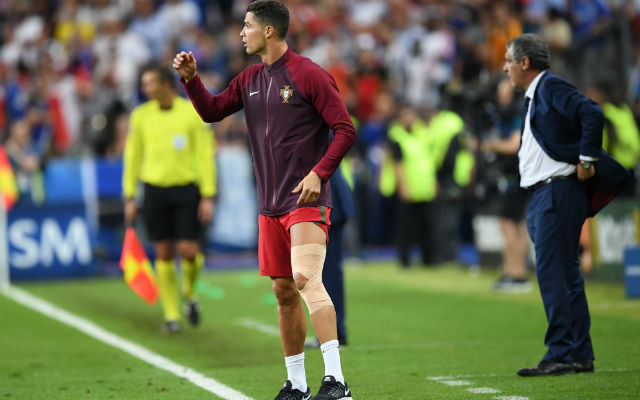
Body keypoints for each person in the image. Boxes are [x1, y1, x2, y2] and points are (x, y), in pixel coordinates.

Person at [172, 1, 356, 399]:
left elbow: (344, 129)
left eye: (247, 25)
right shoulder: (249, 78)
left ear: (269, 30)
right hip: (269, 206)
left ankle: (337, 381)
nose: (241, 32)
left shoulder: (309, 74)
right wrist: (191, 80)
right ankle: (296, 384)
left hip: (305, 199)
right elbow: (212, 111)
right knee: (283, 292)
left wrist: (319, 173)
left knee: (306, 278)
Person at [503, 33, 628, 377]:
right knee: (565, 276)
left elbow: (592, 112)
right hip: (546, 194)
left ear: (525, 62)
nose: (505, 68)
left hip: (556, 192)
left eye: (509, 61)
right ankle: (579, 354)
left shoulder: (550, 86)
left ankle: (561, 353)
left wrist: (587, 159)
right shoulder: (537, 93)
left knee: (554, 275)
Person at [122, 64, 216, 333]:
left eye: (149, 83)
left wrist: (208, 194)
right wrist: (130, 195)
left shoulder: (191, 112)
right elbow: (132, 156)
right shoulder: (140, 116)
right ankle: (172, 315)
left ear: (165, 84)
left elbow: (205, 155)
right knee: (163, 251)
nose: (145, 88)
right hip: (154, 190)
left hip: (186, 189)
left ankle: (189, 292)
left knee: (188, 251)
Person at [481, 79, 531, 293]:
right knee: (515, 224)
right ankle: (517, 273)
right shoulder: (506, 114)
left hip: (517, 176)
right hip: (514, 176)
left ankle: (515, 275)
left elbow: (514, 145)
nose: (500, 98)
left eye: (504, 93)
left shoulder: (517, 113)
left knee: (509, 224)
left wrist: (489, 145)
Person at [305, 163, 356, 348]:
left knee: (328, 274)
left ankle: (334, 335)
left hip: (328, 203)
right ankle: (334, 334)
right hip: (329, 201)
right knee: (327, 273)